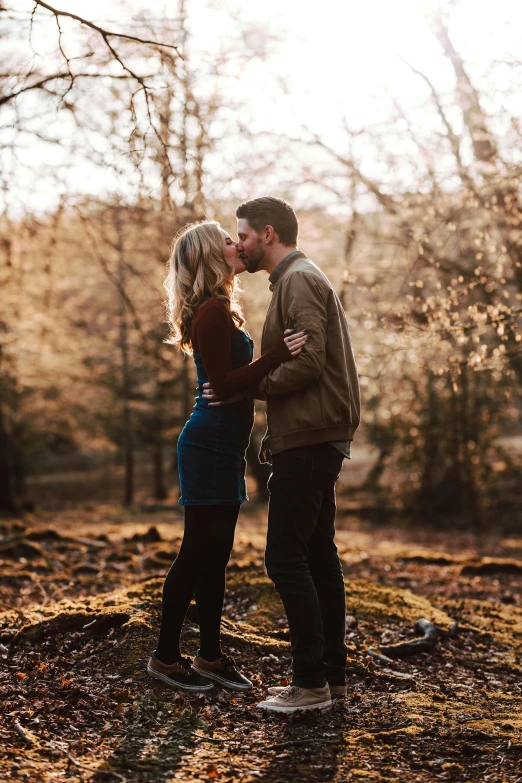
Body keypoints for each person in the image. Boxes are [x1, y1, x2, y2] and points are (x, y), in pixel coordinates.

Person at [204, 197, 360, 712]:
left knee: (285, 557)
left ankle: (310, 683)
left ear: (267, 235)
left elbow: (310, 361)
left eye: (243, 235)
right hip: (314, 433)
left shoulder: (297, 280)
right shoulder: (294, 279)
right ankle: (330, 680)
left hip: (311, 436)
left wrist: (253, 388)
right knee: (317, 556)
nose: (239, 244)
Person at [147, 220, 308, 694]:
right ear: (208, 256)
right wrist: (277, 355)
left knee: (215, 556)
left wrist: (252, 376)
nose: (236, 245)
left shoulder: (218, 309)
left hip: (223, 444)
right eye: (226, 241)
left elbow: (228, 383)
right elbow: (222, 385)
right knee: (197, 552)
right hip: (208, 444)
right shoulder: (211, 313)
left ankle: (211, 656)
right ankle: (165, 657)